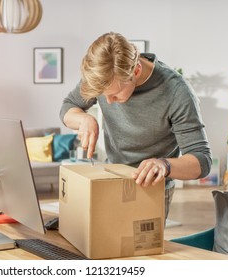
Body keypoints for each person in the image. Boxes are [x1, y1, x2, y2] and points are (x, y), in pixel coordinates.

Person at [59, 32, 212, 219]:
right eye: (102, 95)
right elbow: (68, 107)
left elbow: (202, 161)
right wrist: (83, 119)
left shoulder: (177, 92)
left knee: (138, 248)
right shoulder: (102, 75)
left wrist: (164, 165)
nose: (107, 102)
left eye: (115, 94)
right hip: (110, 179)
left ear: (136, 71)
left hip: (151, 189)